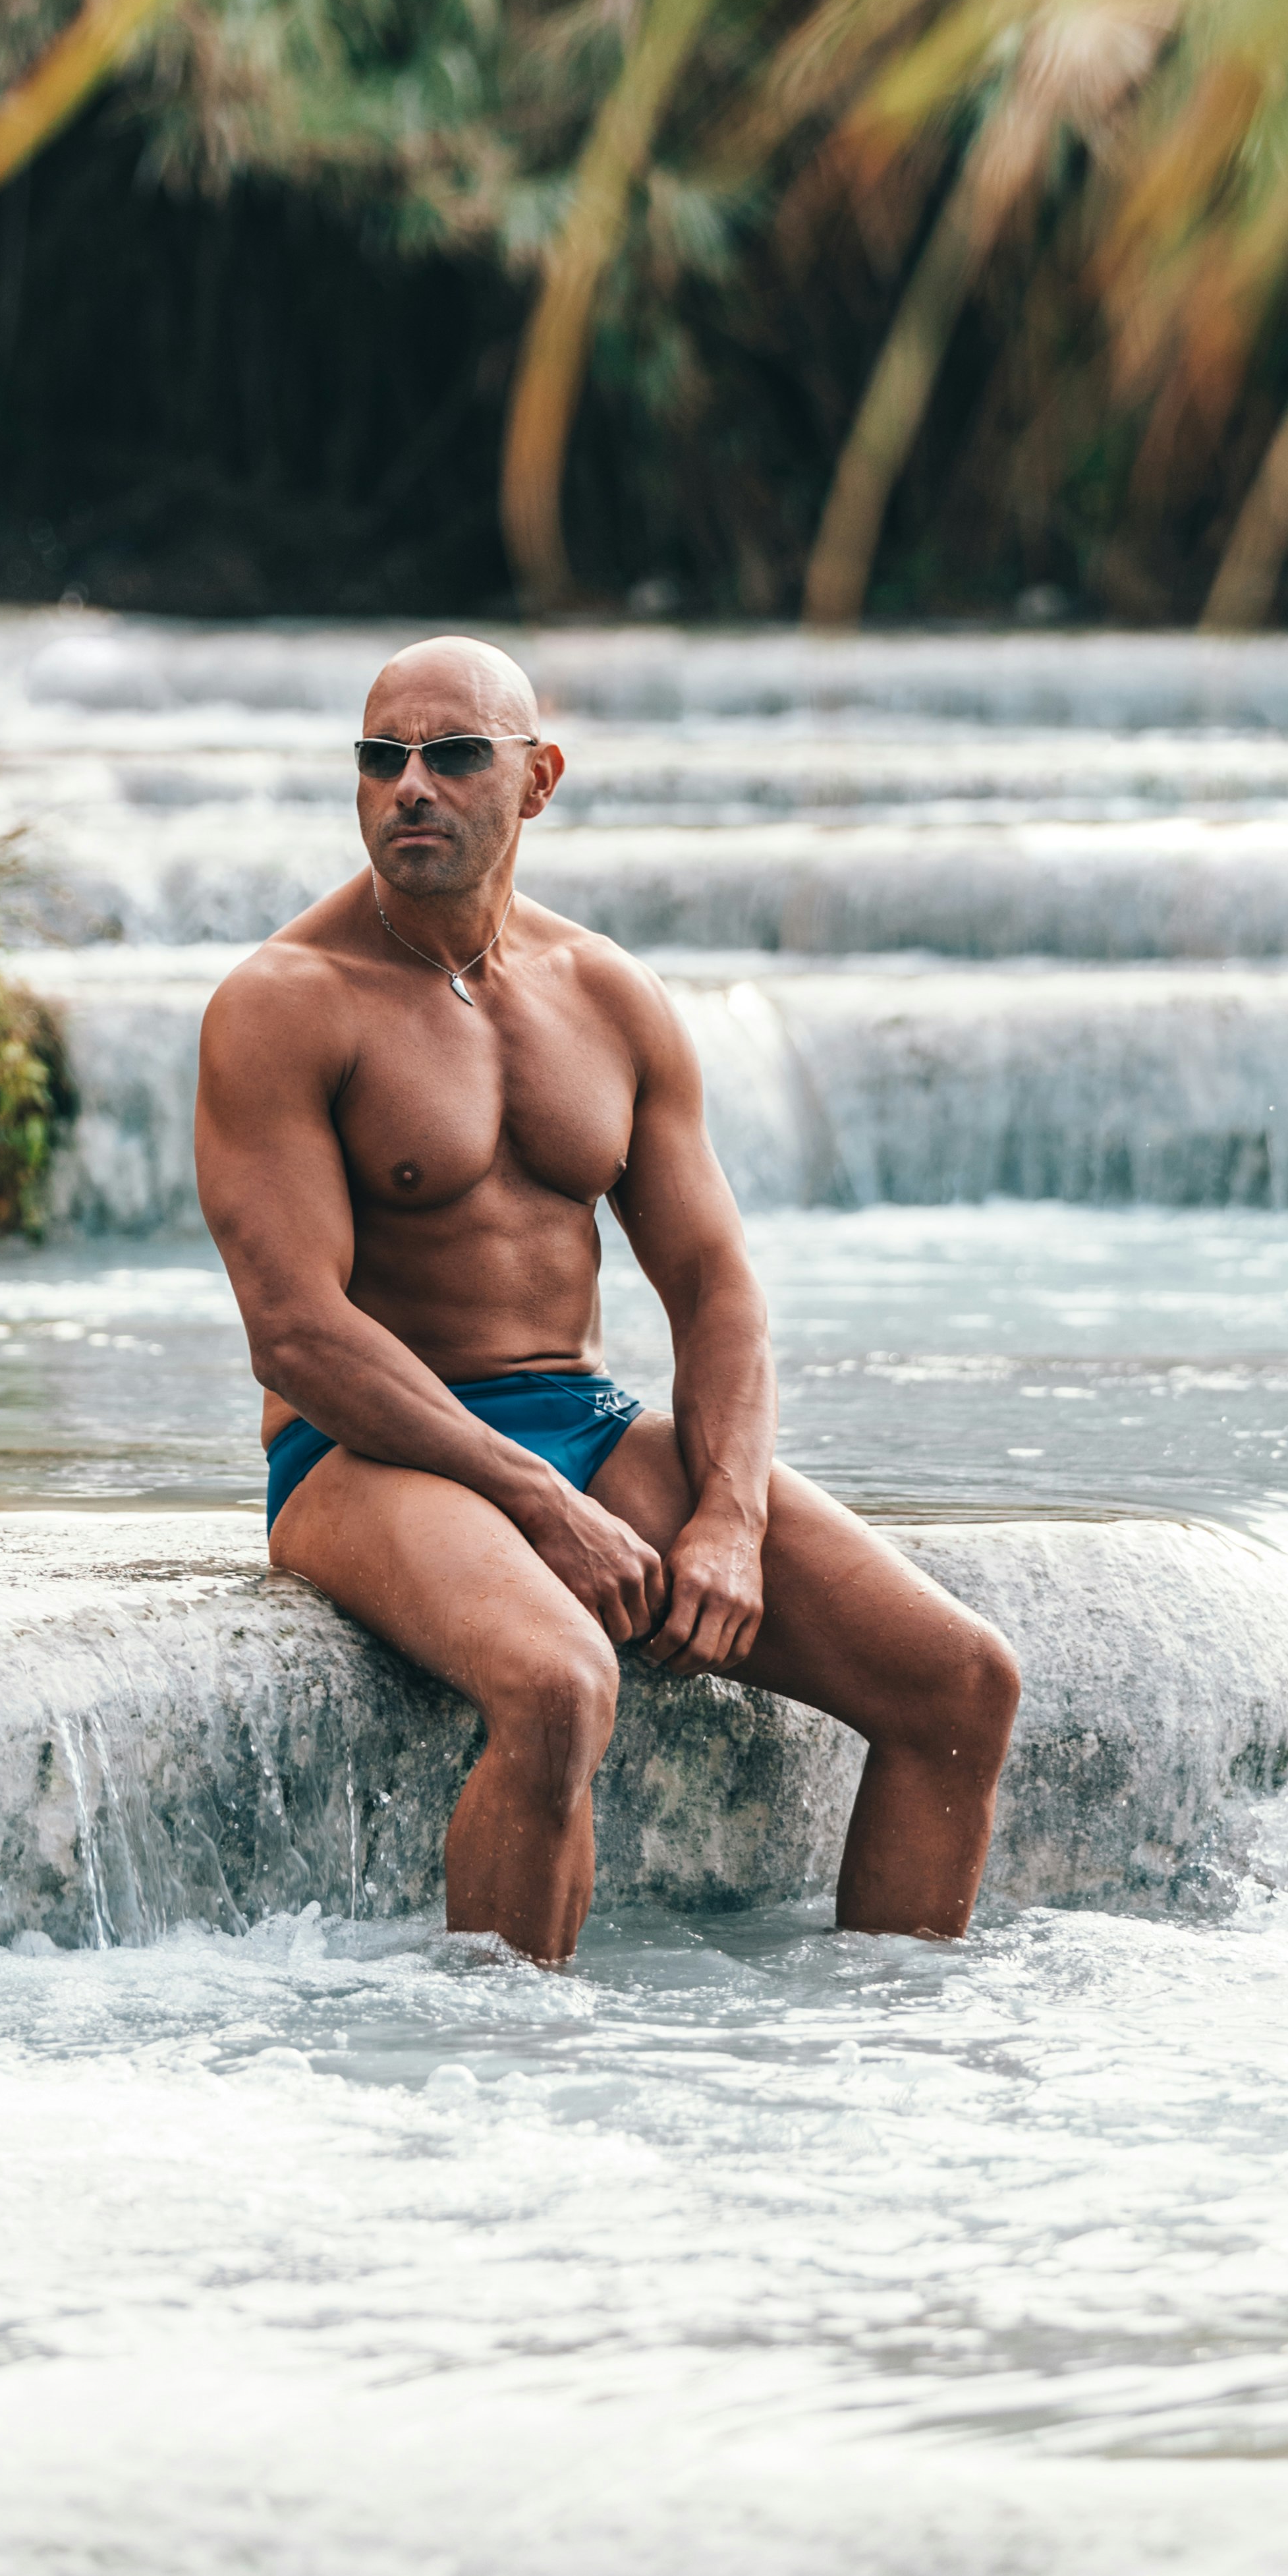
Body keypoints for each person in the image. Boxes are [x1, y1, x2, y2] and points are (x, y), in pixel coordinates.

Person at [193, 633, 1021, 1964]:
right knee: (560, 1683)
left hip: (576, 1414)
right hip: (364, 1453)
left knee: (960, 1683)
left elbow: (714, 1288)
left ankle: (886, 2069)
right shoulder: (285, 1005)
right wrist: (540, 1504)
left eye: (455, 755)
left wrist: (732, 1521)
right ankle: (500, 2077)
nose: (411, 785)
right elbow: (298, 1332)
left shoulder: (608, 995)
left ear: (539, 779)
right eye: (380, 758)